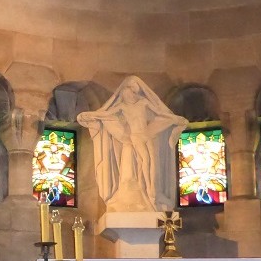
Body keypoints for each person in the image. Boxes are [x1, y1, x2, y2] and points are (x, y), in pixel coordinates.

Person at [78, 78, 188, 212]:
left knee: (152, 163)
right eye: (125, 95)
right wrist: (89, 115)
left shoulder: (143, 102)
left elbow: (161, 113)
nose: (128, 96)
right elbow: (105, 114)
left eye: (130, 93)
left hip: (147, 134)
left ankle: (151, 194)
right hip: (135, 137)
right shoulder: (122, 106)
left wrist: (175, 119)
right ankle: (146, 191)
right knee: (144, 161)